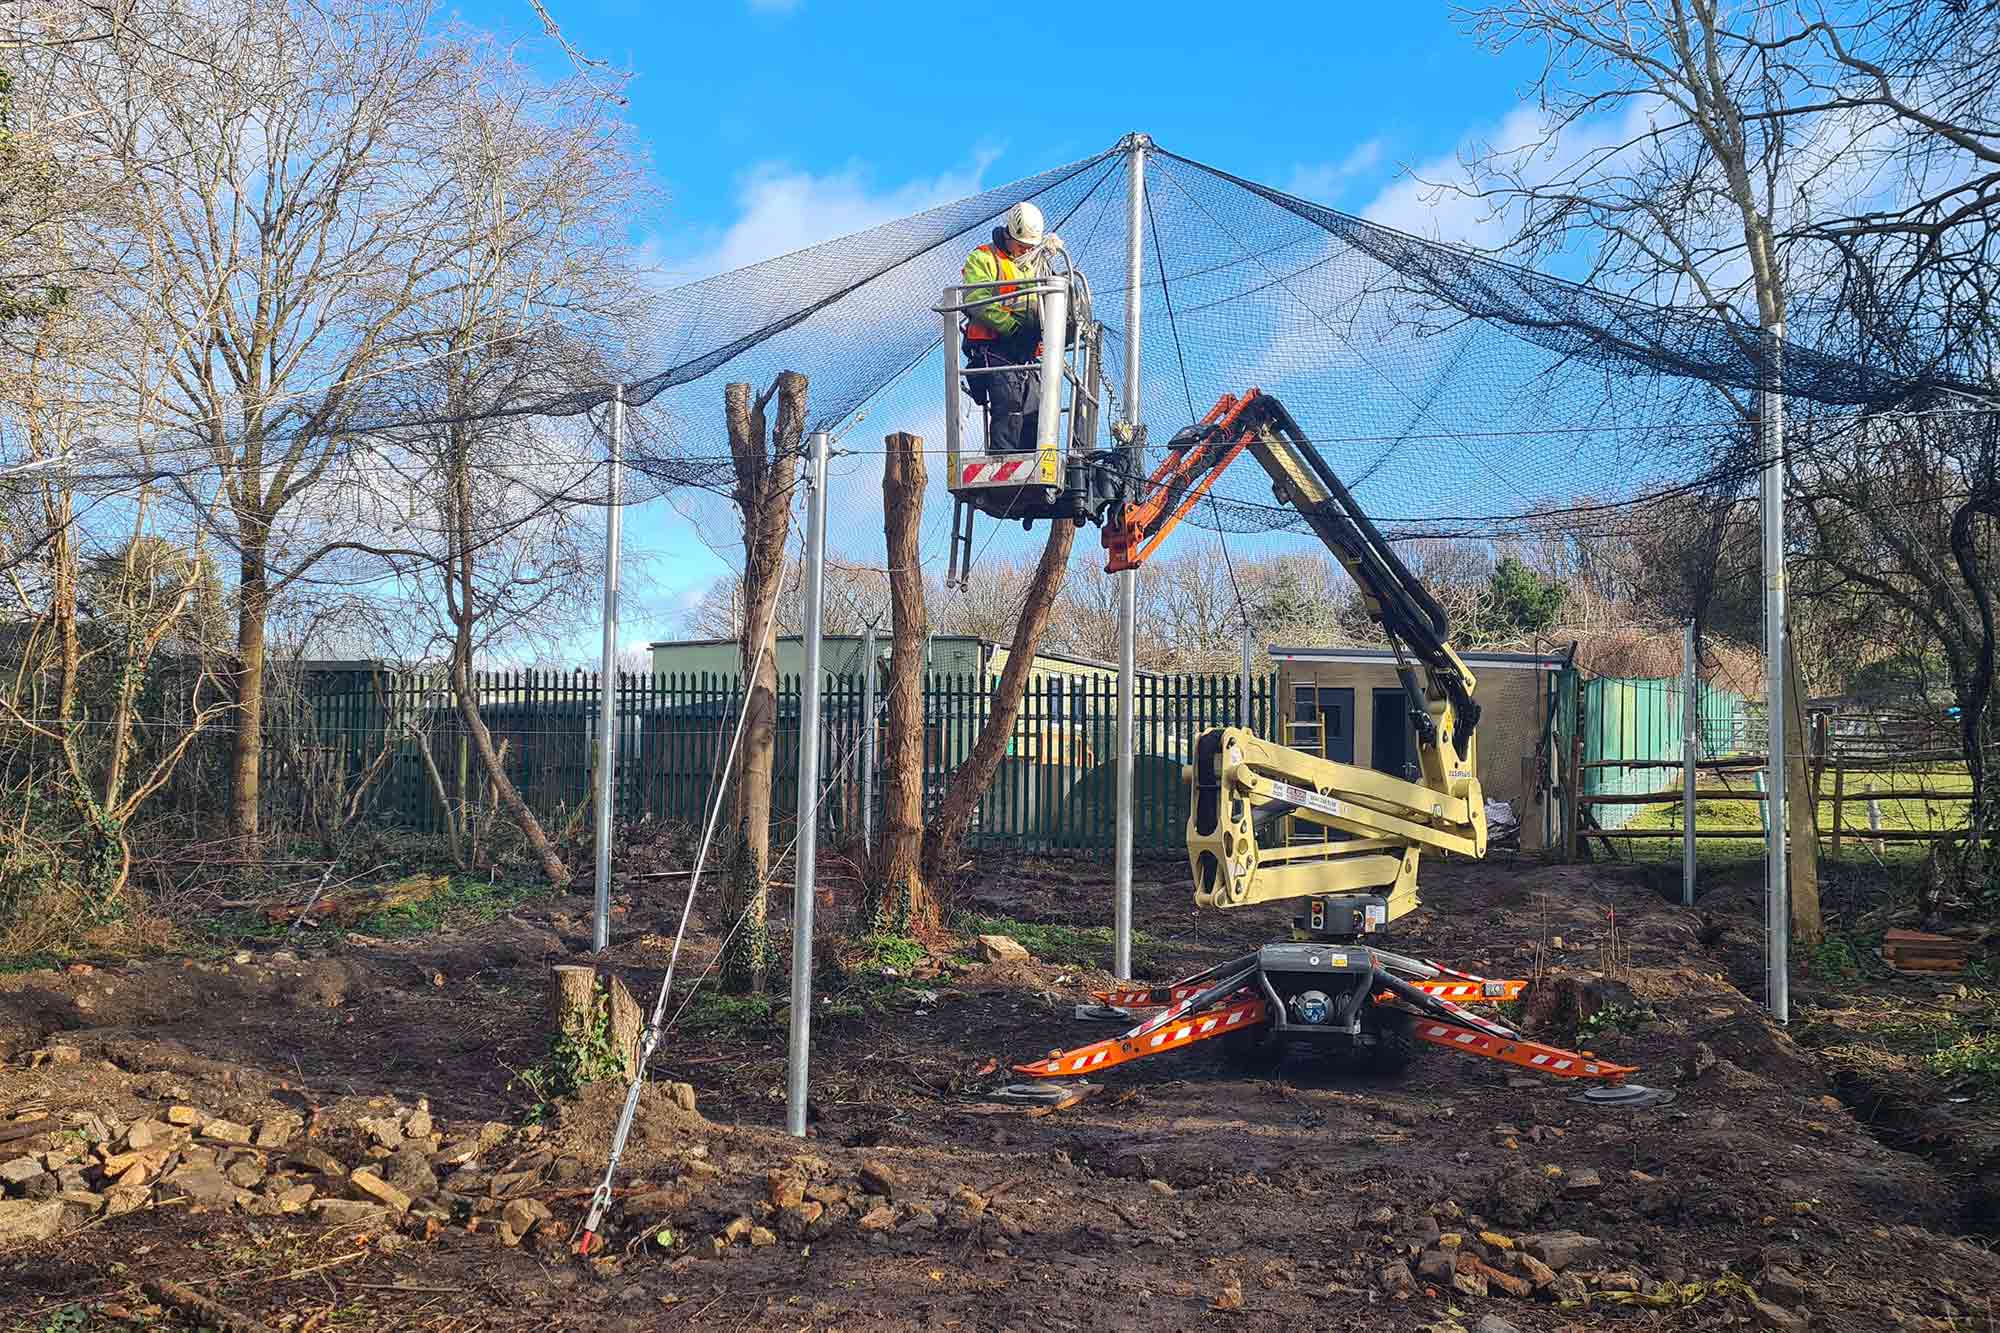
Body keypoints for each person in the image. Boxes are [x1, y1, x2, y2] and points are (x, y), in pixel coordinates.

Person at [961, 201, 1047, 453]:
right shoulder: (984, 258)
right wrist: (1011, 328)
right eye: (1022, 246)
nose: (1024, 251)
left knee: (1035, 409)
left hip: (1024, 352)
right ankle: (1005, 464)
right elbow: (976, 300)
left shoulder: (1029, 266)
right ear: (1010, 235)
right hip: (995, 348)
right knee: (1009, 407)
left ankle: (1030, 463)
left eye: (1029, 247)